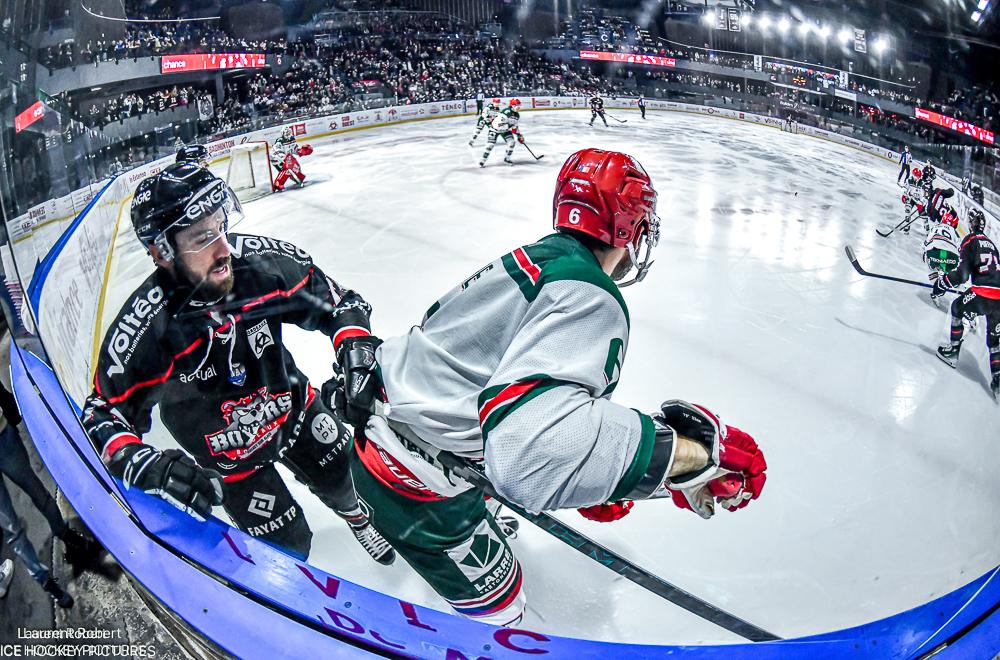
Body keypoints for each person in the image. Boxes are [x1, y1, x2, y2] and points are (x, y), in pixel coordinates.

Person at [349, 148, 768, 626]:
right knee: (504, 618)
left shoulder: (541, 258)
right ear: (629, 228)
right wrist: (683, 458)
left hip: (386, 428)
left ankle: (434, 515)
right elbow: (527, 454)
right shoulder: (587, 293)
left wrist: (594, 477)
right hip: (412, 484)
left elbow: (499, 388)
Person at [81, 164, 394, 564]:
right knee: (288, 544)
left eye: (221, 226)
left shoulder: (258, 264)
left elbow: (337, 301)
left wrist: (356, 351)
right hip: (231, 461)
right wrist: (144, 464)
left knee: (346, 482)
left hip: (294, 412)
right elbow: (102, 413)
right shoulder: (147, 326)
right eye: (203, 238)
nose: (224, 248)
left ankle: (357, 518)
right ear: (162, 252)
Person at [0, 306, 99, 609]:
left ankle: (65, 534)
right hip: (4, 436)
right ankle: (46, 581)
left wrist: (11, 411)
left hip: (3, 438)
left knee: (36, 491)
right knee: (11, 526)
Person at [934, 209, 1000, 399]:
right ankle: (998, 379)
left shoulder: (970, 240)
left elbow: (961, 275)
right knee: (995, 339)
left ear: (971, 224)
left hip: (983, 293)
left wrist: (942, 283)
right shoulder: (993, 246)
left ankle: (952, 352)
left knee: (957, 308)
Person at [923, 212, 961, 306]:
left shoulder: (935, 227)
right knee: (954, 273)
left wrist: (925, 255)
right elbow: (961, 248)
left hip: (934, 254)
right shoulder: (954, 231)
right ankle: (953, 286)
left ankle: (935, 284)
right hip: (952, 258)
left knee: (926, 257)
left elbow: (925, 244)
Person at [479, 98, 522, 168]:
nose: (519, 107)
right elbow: (499, 125)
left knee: (512, 143)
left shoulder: (517, 115)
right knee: (490, 145)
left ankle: (507, 158)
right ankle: (483, 160)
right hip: (494, 130)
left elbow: (515, 126)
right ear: (513, 106)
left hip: (505, 131)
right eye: (517, 105)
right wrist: (510, 126)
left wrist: (519, 135)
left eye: (519, 105)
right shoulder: (506, 112)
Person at [270, 127, 312, 192]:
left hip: (286, 157)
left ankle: (296, 177)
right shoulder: (280, 140)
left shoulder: (292, 139)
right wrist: (283, 157)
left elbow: (294, 149)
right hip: (276, 158)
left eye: (288, 132)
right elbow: (277, 150)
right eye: (286, 132)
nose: (287, 133)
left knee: (296, 166)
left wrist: (301, 151)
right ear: (282, 133)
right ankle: (278, 183)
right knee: (287, 169)